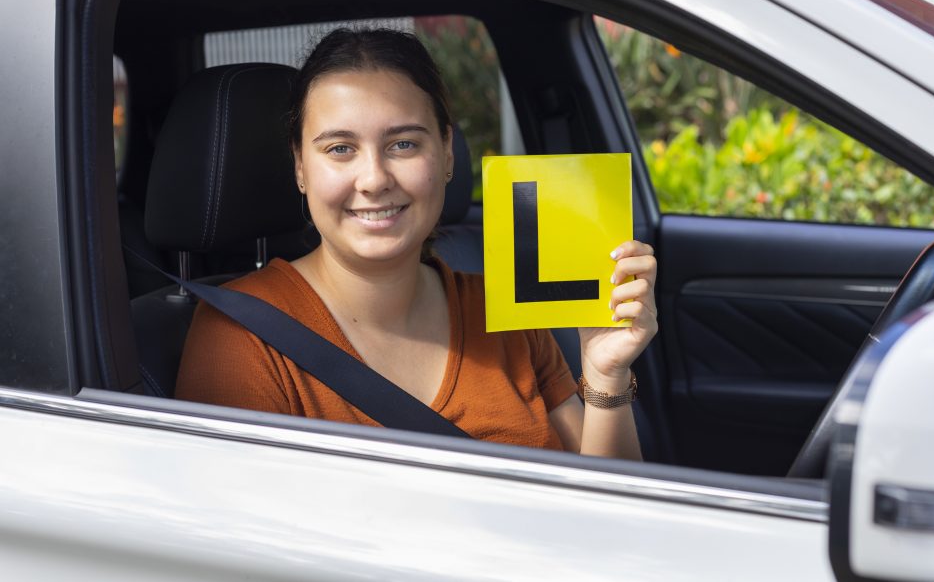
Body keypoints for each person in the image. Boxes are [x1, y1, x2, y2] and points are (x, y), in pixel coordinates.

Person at [176, 28, 658, 460]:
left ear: (446, 151)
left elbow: (607, 512)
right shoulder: (240, 333)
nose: (374, 179)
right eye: (340, 149)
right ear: (300, 167)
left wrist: (604, 372)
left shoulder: (503, 310)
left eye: (403, 144)